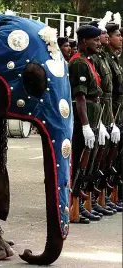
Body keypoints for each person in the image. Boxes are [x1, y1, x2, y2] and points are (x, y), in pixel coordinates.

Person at [69, 25, 110, 223]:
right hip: (83, 117)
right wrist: (85, 125)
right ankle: (74, 206)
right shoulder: (78, 63)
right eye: (94, 40)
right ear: (84, 41)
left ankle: (83, 201)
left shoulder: (88, 61)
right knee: (79, 161)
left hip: (94, 114)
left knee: (89, 163)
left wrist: (99, 122)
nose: (98, 43)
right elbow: (80, 97)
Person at [88, 21, 121, 214]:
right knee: (95, 157)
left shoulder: (111, 59)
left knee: (110, 157)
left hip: (112, 109)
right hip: (101, 111)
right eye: (105, 35)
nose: (107, 39)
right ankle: (88, 198)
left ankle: (103, 196)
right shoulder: (96, 60)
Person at [105, 22, 123, 208]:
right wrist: (110, 119)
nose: (121, 39)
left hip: (117, 111)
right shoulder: (107, 59)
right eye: (118, 35)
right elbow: (106, 93)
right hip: (109, 112)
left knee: (114, 155)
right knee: (103, 157)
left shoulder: (114, 59)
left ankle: (110, 195)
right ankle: (92, 198)